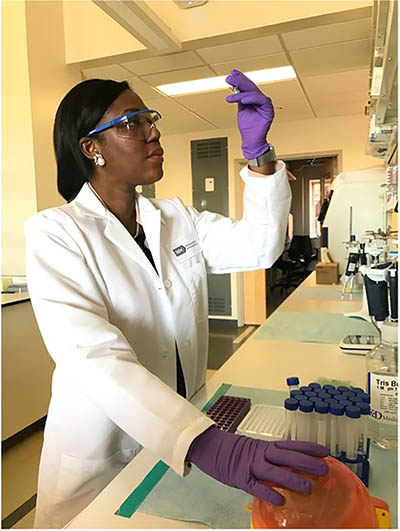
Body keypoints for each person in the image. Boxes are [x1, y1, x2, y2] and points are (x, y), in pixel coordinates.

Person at [25, 69, 328, 529]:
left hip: (185, 428)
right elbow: (89, 354)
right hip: (104, 454)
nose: (153, 131)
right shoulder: (56, 233)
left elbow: (260, 247)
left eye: (150, 117)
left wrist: (259, 155)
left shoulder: (175, 217)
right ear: (92, 148)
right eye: (132, 122)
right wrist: (204, 443)